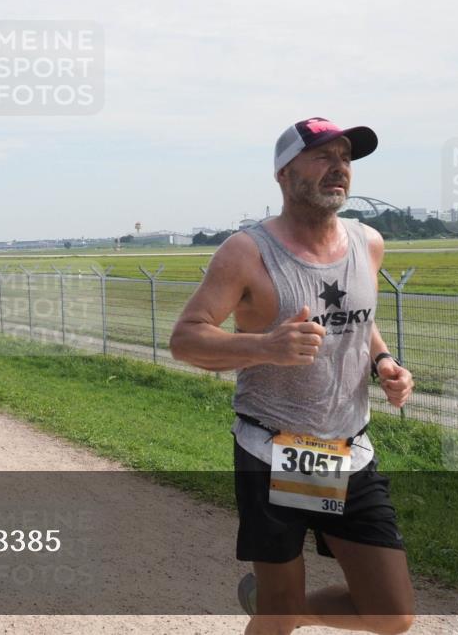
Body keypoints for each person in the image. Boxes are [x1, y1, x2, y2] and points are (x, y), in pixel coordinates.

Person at [169, 118, 415, 635]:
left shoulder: (369, 242)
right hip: (274, 449)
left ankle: (282, 609)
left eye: (345, 157)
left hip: (349, 448)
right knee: (278, 614)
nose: (339, 167)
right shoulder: (247, 252)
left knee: (392, 614)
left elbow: (359, 318)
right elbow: (185, 339)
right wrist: (266, 346)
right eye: (322, 156)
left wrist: (384, 362)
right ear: (283, 173)